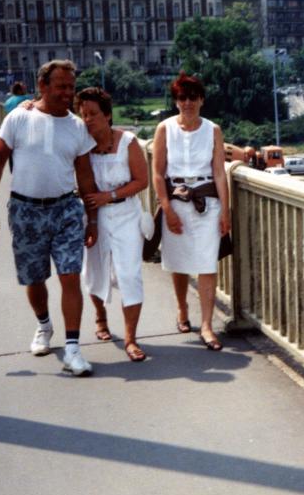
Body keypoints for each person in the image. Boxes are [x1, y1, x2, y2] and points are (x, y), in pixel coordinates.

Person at [0, 60, 99, 376]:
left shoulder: (77, 127)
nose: (67, 93)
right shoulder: (19, 118)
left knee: (70, 276)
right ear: (42, 86)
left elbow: (85, 177)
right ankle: (44, 326)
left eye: (71, 87)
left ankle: (73, 349)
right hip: (25, 210)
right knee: (34, 278)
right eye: (61, 86)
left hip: (66, 210)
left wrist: (93, 219)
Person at [152, 72, 231, 351]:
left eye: (192, 97)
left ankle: (207, 325)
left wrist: (225, 211)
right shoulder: (164, 129)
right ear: (176, 102)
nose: (187, 103)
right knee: (178, 261)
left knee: (208, 263)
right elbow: (158, 174)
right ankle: (182, 307)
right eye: (182, 98)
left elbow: (220, 173)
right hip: (175, 202)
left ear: (201, 100)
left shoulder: (213, 130)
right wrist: (166, 208)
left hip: (207, 202)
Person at [76, 87, 150, 361]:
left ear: (107, 115)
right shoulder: (80, 146)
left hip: (126, 214)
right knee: (94, 271)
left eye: (93, 114)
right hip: (94, 215)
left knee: (129, 274)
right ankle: (100, 317)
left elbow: (141, 181)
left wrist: (111, 195)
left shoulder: (127, 142)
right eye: (83, 114)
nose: (88, 120)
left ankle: (131, 338)